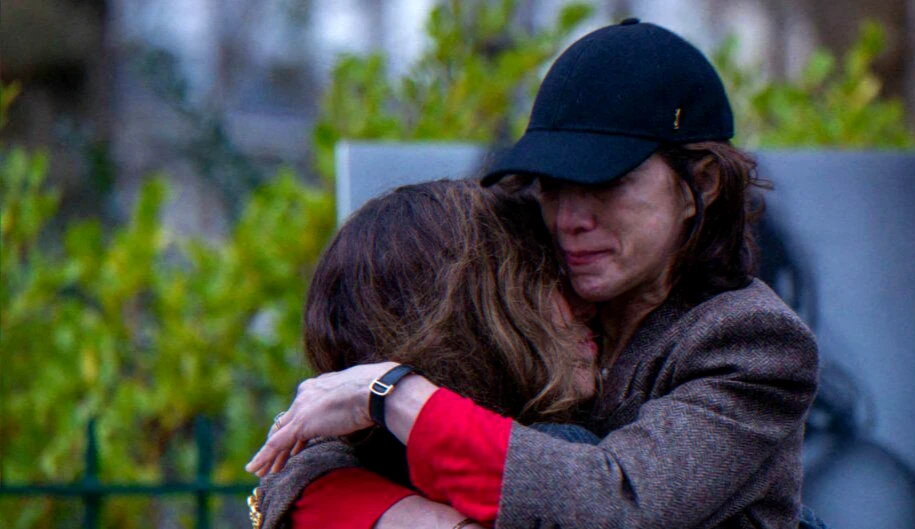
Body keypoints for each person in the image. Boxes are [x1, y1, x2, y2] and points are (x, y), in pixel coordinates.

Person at [249, 19, 820, 529]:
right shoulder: (536, 300)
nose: (570, 219)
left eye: (606, 182)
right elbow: (296, 470)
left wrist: (390, 394)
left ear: (703, 184)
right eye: (553, 187)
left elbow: (619, 504)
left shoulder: (750, 339)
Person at [248, 180, 604, 529]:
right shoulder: (557, 458)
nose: (585, 304)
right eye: (547, 282)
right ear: (481, 321)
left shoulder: (361, 467)